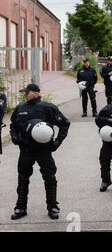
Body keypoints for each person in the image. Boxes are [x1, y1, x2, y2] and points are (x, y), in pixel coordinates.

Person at [10, 84, 70, 220]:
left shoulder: (48, 107)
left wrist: (57, 142)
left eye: (28, 92)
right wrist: (14, 137)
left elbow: (65, 124)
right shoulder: (20, 108)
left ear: (36, 93)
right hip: (25, 150)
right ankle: (20, 207)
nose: (25, 94)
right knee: (23, 178)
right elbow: (13, 125)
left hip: (43, 150)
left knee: (49, 178)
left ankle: (53, 207)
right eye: (24, 92)